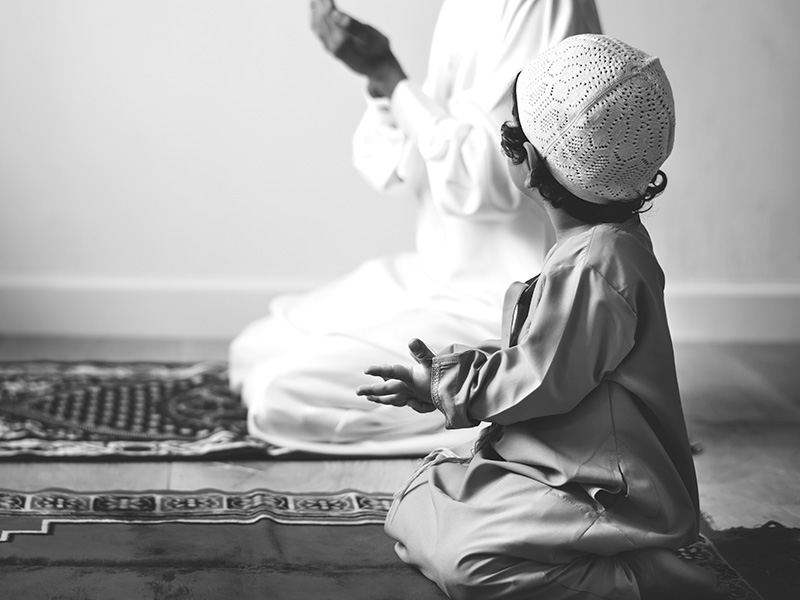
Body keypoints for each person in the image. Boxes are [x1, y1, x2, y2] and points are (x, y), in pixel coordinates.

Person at [356, 34, 729, 599]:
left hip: (609, 489)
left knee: (467, 564)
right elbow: (544, 352)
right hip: (558, 464)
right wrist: (449, 373)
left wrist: (444, 387)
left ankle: (640, 577)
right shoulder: (600, 247)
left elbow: (541, 373)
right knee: (418, 502)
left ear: (527, 162)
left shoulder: (599, 263)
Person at [229, 0, 602, 456]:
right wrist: (382, 84)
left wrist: (391, 78)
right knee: (252, 350)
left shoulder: (543, 5)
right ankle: (482, 401)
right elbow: (409, 164)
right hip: (435, 275)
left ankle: (506, 408)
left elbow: (503, 175)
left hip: (505, 303)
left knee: (278, 393)